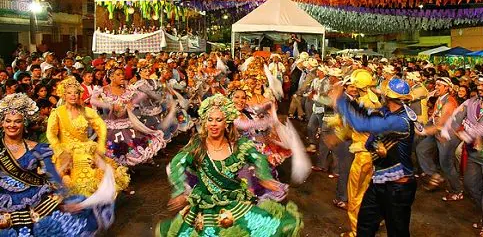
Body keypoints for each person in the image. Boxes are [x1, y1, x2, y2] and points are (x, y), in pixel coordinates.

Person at [157, 94, 302, 236]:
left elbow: (258, 157)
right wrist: (179, 191)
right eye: (210, 119)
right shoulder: (197, 146)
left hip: (234, 205)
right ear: (205, 122)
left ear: (226, 123)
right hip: (204, 210)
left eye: (218, 120)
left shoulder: (239, 146)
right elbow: (177, 162)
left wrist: (264, 177)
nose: (213, 124)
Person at [0, 93, 114, 236]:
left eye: (17, 121)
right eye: (8, 121)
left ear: (25, 124)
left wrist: (65, 199)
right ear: (2, 123)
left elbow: (53, 177)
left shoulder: (38, 149)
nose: (12, 125)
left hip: (36, 206)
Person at [333, 78, 418, 237]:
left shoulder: (400, 121)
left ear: (388, 96)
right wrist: (346, 100)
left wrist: (339, 99)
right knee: (365, 224)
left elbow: (362, 124)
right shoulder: (388, 111)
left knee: (397, 232)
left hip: (397, 189)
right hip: (380, 180)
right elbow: (366, 113)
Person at [440, 73, 483, 237]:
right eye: (478, 84)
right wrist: (448, 130)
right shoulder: (473, 102)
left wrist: (464, 135)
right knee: (471, 185)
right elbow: (457, 116)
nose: (479, 87)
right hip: (474, 152)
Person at [46, 77, 130, 196]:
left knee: (105, 172)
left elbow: (101, 126)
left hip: (87, 148)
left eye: (76, 92)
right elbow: (51, 134)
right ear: (63, 95)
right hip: (66, 151)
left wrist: (101, 145)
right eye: (69, 93)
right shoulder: (57, 113)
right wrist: (60, 151)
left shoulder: (86, 111)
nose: (73, 95)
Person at [90, 67, 167, 166]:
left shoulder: (127, 89)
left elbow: (142, 95)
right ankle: (119, 172)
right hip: (112, 126)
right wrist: (110, 106)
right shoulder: (104, 90)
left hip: (127, 124)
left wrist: (132, 103)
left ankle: (128, 169)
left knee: (130, 147)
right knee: (114, 150)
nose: (122, 76)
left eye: (122, 74)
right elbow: (93, 100)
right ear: (111, 77)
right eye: (118, 74)